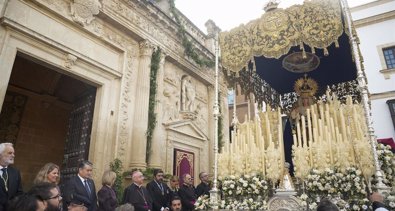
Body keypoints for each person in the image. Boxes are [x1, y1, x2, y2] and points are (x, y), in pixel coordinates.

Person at [0, 142, 23, 211]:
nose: (13, 155)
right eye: (10, 153)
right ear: (0, 154)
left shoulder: (15, 172)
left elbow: (19, 193)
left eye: (13, 153)